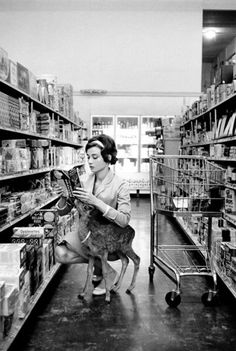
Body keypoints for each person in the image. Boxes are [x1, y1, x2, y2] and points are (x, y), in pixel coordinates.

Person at [55, 133, 131, 295]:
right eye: (88, 157)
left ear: (108, 157)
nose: (89, 161)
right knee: (60, 253)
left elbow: (124, 221)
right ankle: (103, 269)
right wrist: (63, 195)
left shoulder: (121, 185)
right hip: (87, 234)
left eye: (95, 157)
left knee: (88, 246)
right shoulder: (82, 180)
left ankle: (103, 271)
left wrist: (96, 201)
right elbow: (62, 211)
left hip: (108, 237)